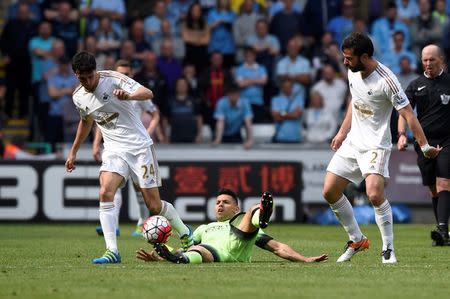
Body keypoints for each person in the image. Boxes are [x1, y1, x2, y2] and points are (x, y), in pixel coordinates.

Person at [322, 32, 440, 264]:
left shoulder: (386, 80)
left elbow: (408, 114)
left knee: (374, 195)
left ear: (364, 57)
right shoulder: (352, 71)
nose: (345, 62)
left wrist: (424, 145)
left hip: (375, 144)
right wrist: (342, 132)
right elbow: (355, 102)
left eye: (349, 58)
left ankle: (388, 249)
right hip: (353, 142)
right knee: (329, 192)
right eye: (344, 57)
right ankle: (356, 239)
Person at [66, 51, 193, 264]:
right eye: (82, 78)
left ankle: (185, 231)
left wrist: (129, 95)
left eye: (90, 76)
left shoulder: (114, 79)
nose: (87, 81)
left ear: (95, 71)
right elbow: (86, 121)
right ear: (76, 75)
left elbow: (148, 92)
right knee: (105, 191)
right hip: (114, 150)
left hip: (140, 148)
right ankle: (112, 251)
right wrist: (74, 151)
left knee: (153, 206)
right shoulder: (78, 96)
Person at [136, 189, 328, 264]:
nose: (220, 205)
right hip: (211, 252)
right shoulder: (205, 228)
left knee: (250, 212)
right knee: (195, 249)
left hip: (238, 242)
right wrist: (163, 256)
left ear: (235, 207)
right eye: (218, 202)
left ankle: (261, 214)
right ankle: (179, 261)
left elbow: (277, 247)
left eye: (225, 202)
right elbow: (184, 248)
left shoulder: (238, 218)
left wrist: (304, 259)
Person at [92, 59, 163, 237]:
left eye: (126, 74)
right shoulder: (106, 93)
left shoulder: (137, 94)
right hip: (116, 146)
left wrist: (149, 132)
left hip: (137, 146)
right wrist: (95, 144)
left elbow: (155, 114)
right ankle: (113, 225)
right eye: (120, 73)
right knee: (111, 186)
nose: (122, 76)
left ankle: (142, 223)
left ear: (131, 75)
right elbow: (103, 121)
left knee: (141, 190)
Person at [397, 44, 450, 246]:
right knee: (433, 189)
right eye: (425, 60)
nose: (428, 64)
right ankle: (443, 234)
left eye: (432, 60)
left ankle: (443, 228)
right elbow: (403, 112)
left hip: (447, 141)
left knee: (444, 182)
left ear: (441, 60)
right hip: (423, 143)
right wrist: (401, 135)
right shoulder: (414, 85)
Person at [212, 84, 254, 149]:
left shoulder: (245, 103)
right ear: (227, 94)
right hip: (221, 134)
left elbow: (248, 122)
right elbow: (220, 122)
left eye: (235, 94)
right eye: (231, 94)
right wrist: (218, 140)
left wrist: (250, 140)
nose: (233, 96)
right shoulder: (221, 102)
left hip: (236, 134)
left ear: (239, 94)